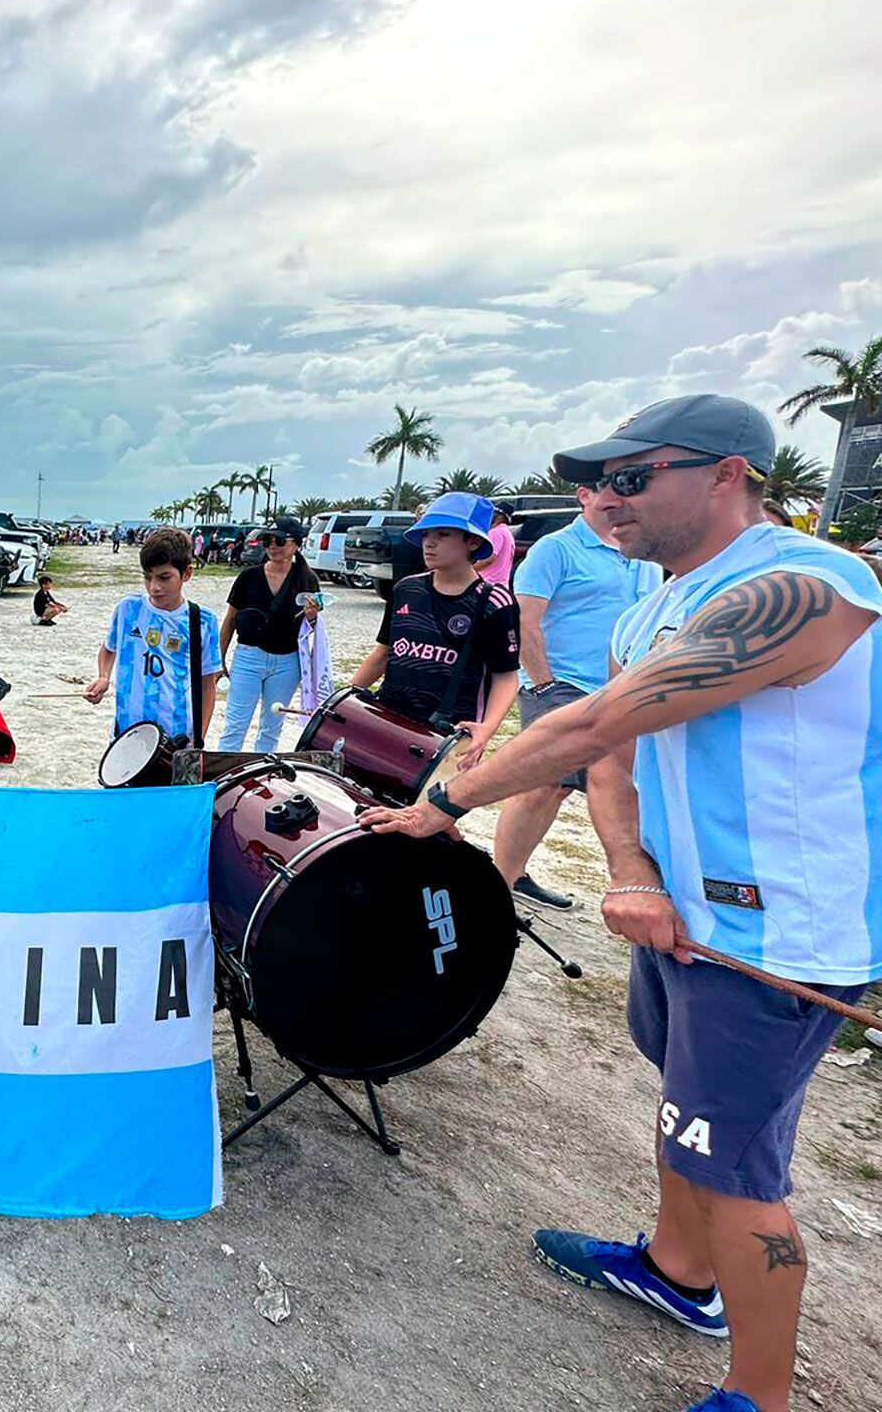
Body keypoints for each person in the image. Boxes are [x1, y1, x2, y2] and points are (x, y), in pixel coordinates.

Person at [358, 394, 882, 1412]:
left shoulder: (807, 585)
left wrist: (446, 803)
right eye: (594, 480)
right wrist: (632, 872)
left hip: (780, 936)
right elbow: (613, 757)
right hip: (685, 920)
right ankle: (680, 1274)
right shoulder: (651, 606)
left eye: (631, 477)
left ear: (730, 474)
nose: (600, 498)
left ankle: (759, 1394)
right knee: (688, 1113)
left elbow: (597, 717)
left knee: (737, 1164)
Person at [492, 485, 662, 909]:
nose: (619, 499)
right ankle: (497, 885)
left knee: (594, 786)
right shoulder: (556, 549)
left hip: (622, 688)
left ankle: (513, 874)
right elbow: (526, 621)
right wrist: (546, 684)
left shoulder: (642, 552)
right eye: (608, 490)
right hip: (562, 684)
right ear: (584, 496)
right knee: (542, 784)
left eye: (629, 488)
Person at [348, 492, 520, 771]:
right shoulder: (405, 589)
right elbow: (383, 653)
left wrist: (486, 729)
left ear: (473, 542)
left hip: (447, 736)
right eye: (426, 534)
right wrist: (345, 698)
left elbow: (506, 677)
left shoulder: (494, 603)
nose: (429, 543)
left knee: (428, 813)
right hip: (387, 719)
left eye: (442, 534)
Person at [85, 527, 221, 749]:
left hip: (177, 739)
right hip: (126, 735)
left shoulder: (202, 621)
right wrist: (103, 676)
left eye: (164, 577)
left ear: (186, 574)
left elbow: (208, 685)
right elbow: (109, 648)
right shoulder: (128, 609)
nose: (154, 587)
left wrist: (199, 739)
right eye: (147, 578)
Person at [216, 515, 320, 752]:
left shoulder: (307, 579)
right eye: (268, 541)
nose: (273, 546)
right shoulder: (248, 577)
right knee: (235, 725)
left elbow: (311, 630)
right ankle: (225, 779)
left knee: (272, 727)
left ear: (296, 544)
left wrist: (313, 617)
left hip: (287, 662)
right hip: (248, 657)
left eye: (280, 541)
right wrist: (218, 659)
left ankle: (263, 779)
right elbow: (230, 620)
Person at [481, 503, 518, 587]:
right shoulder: (506, 532)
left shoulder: (496, 532)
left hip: (489, 582)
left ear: (501, 517)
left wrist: (471, 570)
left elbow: (489, 558)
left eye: (494, 513)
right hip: (500, 584)